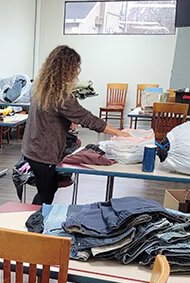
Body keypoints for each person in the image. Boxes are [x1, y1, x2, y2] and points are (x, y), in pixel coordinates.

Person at [22, 45, 129, 205]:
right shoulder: (61, 96)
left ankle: (34, 222)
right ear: (68, 69)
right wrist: (119, 133)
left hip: (32, 149)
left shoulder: (42, 88)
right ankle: (32, 226)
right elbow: (87, 118)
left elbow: (52, 115)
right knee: (46, 195)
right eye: (75, 68)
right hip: (43, 153)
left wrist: (67, 120)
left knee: (47, 191)